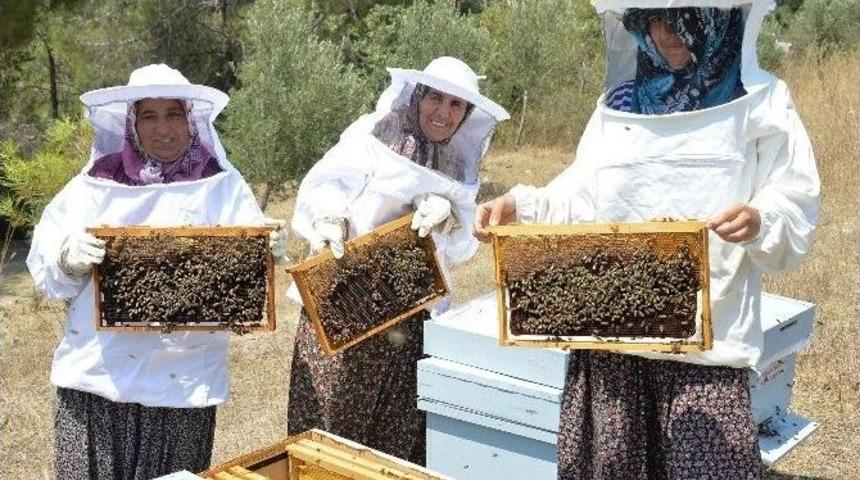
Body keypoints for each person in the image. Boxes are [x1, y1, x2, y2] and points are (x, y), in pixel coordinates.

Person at [474, 2, 819, 479]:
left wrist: (762, 219)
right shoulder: (620, 105)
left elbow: (794, 198)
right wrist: (524, 205)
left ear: (716, 19)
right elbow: (582, 192)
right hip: (609, 346)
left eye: (681, 18)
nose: (665, 33)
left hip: (706, 352)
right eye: (653, 19)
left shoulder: (761, 100)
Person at [27, 64, 288, 480]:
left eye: (174, 114)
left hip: (181, 383)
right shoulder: (95, 183)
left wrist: (265, 252)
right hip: (98, 377)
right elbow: (45, 265)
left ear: (191, 119)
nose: (163, 128)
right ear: (131, 122)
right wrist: (65, 257)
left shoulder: (221, 184)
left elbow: (248, 270)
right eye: (149, 115)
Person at [287, 56, 509, 464]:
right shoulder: (372, 133)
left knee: (394, 448)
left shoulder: (458, 163)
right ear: (418, 95)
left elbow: (462, 249)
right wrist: (331, 217)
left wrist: (448, 219)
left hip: (408, 322)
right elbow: (325, 183)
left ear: (467, 114)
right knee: (328, 444)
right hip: (343, 307)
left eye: (455, 105)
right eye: (435, 98)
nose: (443, 112)